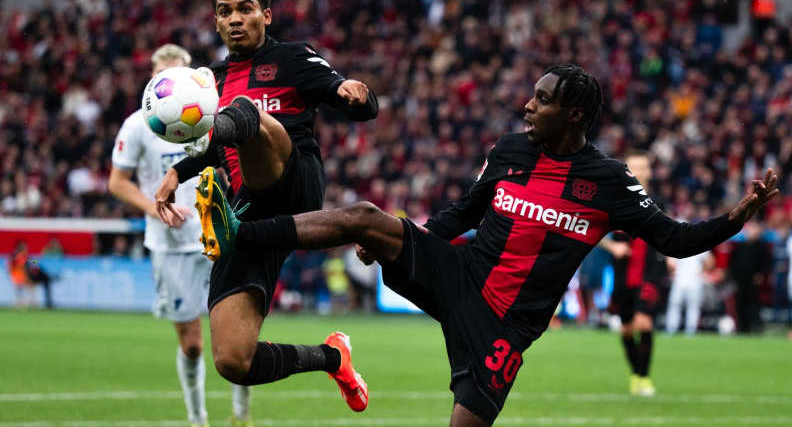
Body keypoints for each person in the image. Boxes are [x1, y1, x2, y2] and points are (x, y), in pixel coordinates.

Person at [194, 64, 780, 427]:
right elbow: (460, 214)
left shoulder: (607, 181)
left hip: (504, 325)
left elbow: (676, 240)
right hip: (459, 270)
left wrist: (737, 214)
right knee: (366, 218)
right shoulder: (509, 151)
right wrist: (404, 244)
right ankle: (242, 230)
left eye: (542, 99)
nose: (528, 105)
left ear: (574, 113)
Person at [154, 0, 378, 412]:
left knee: (246, 113)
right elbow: (219, 147)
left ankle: (218, 184)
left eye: (245, 8)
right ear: (216, 23)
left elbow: (351, 100)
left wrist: (357, 94)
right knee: (233, 361)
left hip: (294, 183)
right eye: (225, 12)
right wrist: (176, 173)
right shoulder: (209, 79)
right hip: (247, 213)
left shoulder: (291, 58)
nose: (235, 19)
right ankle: (333, 357)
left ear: (266, 15)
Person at [109, 44, 252, 427]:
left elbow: (234, 166)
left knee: (235, 338)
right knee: (192, 345)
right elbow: (117, 182)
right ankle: (197, 418)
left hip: (219, 236)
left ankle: (241, 415)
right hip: (170, 246)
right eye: (162, 79)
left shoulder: (210, 115)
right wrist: (152, 207)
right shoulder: (139, 124)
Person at [598, 151, 668, 397]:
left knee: (643, 322)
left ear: (649, 172)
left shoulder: (658, 203)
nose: (639, 171)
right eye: (634, 166)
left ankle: (644, 377)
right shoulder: (614, 199)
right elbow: (592, 230)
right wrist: (612, 245)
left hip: (649, 272)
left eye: (643, 167)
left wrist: (668, 256)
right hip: (622, 273)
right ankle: (635, 375)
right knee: (626, 329)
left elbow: (666, 233)